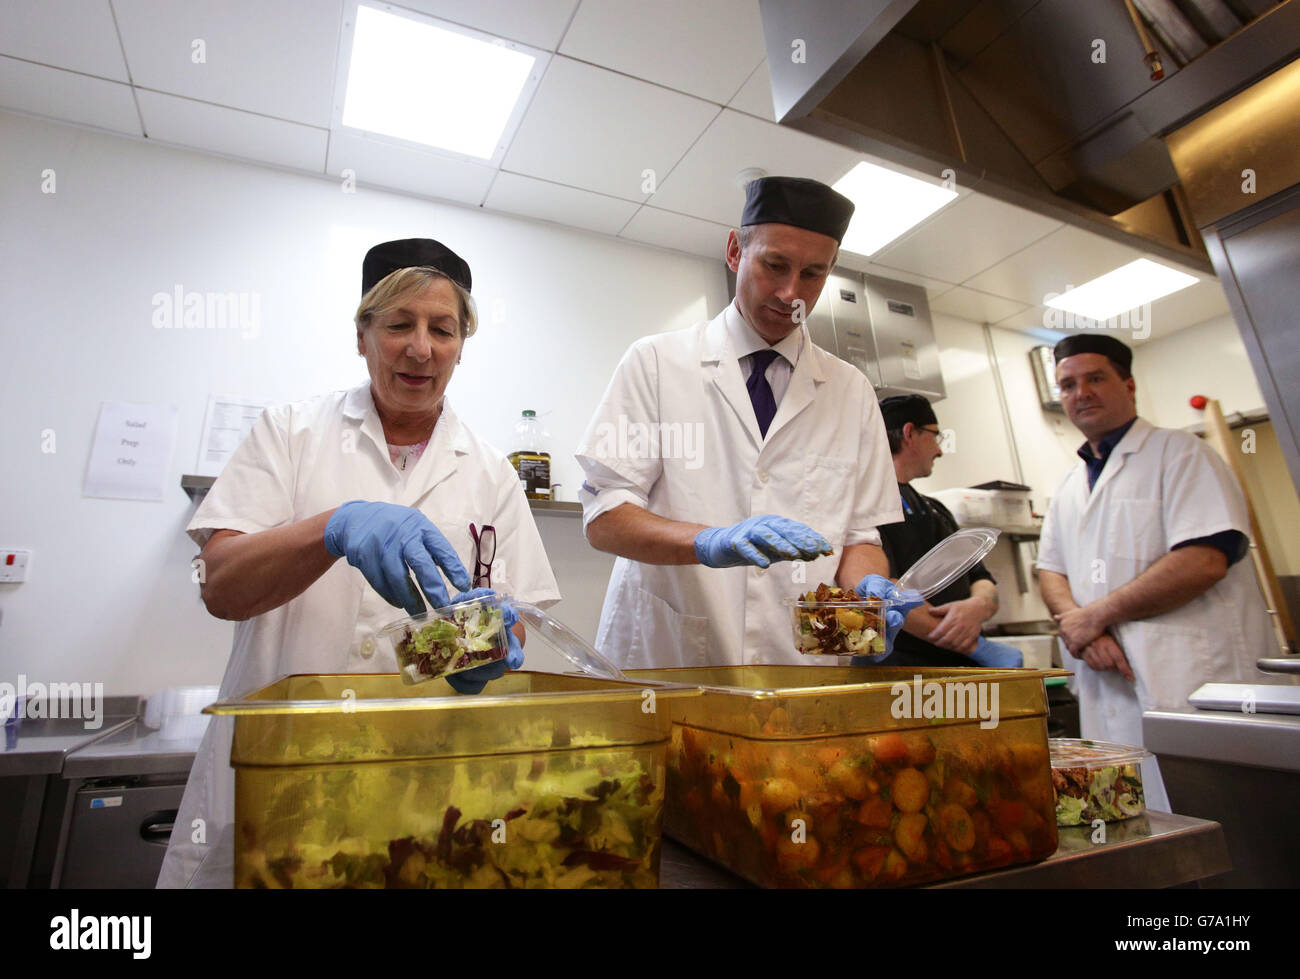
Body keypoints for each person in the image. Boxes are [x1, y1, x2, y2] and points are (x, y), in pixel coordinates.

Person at [158, 238, 560, 888]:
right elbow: (219, 582)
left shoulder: (493, 475)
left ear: (462, 344)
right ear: (362, 333)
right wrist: (331, 528)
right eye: (400, 323)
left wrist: (479, 653)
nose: (421, 348)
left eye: (443, 329)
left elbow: (510, 627)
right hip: (274, 784)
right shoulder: (289, 433)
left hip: (421, 795)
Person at [576, 176, 918, 669]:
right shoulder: (655, 361)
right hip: (669, 660)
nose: (789, 293)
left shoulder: (850, 390)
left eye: (813, 274)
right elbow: (606, 518)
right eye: (774, 265)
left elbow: (859, 537)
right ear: (735, 250)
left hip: (800, 667)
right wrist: (706, 541)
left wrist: (866, 593)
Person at [1036, 333, 1271, 811]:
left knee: (1222, 827)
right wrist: (1083, 629)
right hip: (1106, 687)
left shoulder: (1182, 454)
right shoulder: (1068, 485)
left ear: (1129, 384)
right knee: (1131, 829)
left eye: (1095, 378)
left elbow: (1205, 558)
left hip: (1187, 685)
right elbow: (1050, 571)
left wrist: (1094, 615)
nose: (1081, 393)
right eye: (1068, 384)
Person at [875, 394, 1024, 669]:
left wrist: (979, 605)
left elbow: (980, 577)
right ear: (910, 433)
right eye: (935, 436)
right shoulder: (873, 506)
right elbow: (885, 590)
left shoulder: (936, 509)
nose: (940, 450)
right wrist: (973, 644)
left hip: (962, 666)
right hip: (909, 673)